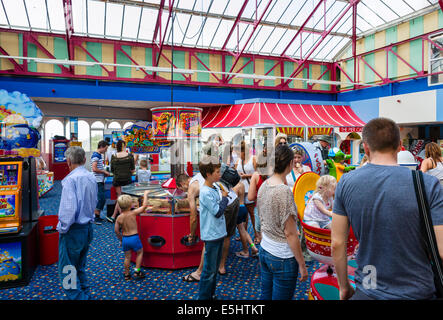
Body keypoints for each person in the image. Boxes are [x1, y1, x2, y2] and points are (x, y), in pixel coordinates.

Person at [332, 117, 443, 300]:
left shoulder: (346, 182)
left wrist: (344, 287)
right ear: (400, 146)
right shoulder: (427, 184)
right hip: (417, 290)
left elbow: (337, 243)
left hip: (369, 286)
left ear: (365, 148)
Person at [256, 145, 308, 300]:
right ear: (291, 163)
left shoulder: (265, 184)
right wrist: (302, 265)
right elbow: (290, 234)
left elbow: (262, 216)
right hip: (282, 255)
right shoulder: (284, 191)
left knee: (266, 295)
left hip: (265, 248)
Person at [177, 168, 242, 281]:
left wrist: (192, 235)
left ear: (183, 183)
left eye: (181, 189)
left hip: (224, 204)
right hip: (233, 200)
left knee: (208, 240)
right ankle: (221, 267)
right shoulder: (199, 176)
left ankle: (199, 272)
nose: (184, 192)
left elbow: (193, 217)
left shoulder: (192, 188)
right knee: (226, 236)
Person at [57, 146, 97, 300]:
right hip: (87, 228)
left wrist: (62, 228)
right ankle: (85, 293)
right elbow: (94, 202)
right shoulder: (91, 177)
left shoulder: (70, 180)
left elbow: (68, 210)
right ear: (84, 160)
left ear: (68, 161)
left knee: (67, 269)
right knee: (79, 266)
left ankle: (78, 297)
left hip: (73, 230)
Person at [197, 155, 228, 300]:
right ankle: (203, 298)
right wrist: (225, 199)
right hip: (211, 235)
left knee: (214, 269)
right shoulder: (204, 192)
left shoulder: (215, 186)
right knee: (209, 270)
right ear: (208, 174)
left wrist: (223, 197)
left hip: (219, 232)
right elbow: (217, 212)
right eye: (217, 172)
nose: (220, 174)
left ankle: (211, 294)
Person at [114, 191, 149, 281]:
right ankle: (137, 271)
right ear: (130, 205)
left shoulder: (119, 217)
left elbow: (116, 230)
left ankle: (126, 274)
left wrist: (121, 239)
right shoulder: (133, 213)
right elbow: (144, 206)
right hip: (134, 238)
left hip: (125, 239)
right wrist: (145, 194)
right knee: (140, 252)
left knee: (127, 257)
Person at [236, 141, 259, 243]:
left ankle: (257, 235)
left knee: (252, 213)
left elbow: (258, 173)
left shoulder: (253, 159)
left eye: (239, 152)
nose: (237, 154)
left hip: (250, 189)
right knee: (243, 214)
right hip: (241, 191)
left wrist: (246, 176)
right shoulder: (238, 160)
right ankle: (244, 235)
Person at [108, 140, 135, 223]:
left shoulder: (114, 156)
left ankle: (115, 216)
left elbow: (112, 170)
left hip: (117, 179)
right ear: (124, 146)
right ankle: (124, 218)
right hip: (127, 179)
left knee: (119, 198)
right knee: (126, 199)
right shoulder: (130, 156)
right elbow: (133, 170)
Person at [91, 140, 110, 225]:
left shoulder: (99, 155)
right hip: (97, 180)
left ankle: (97, 216)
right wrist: (104, 172)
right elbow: (94, 168)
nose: (106, 150)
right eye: (105, 148)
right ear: (101, 147)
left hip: (100, 180)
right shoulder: (96, 155)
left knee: (101, 198)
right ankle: (95, 216)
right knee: (100, 198)